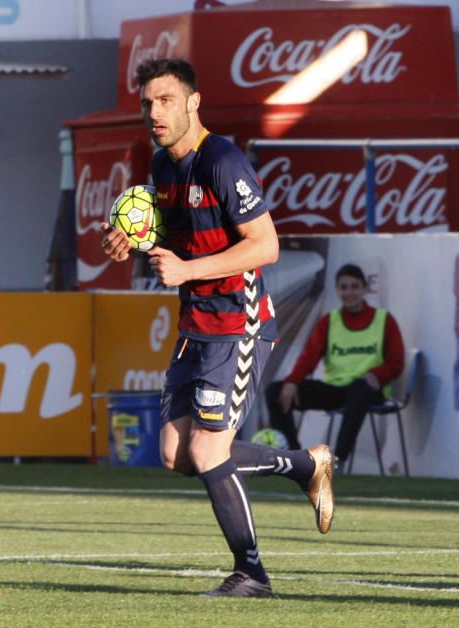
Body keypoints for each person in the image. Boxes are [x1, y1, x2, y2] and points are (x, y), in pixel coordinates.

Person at [101, 57, 334, 598]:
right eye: (147, 103)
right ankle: (306, 464)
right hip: (196, 325)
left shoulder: (224, 161)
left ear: (192, 102)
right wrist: (134, 242)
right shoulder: (162, 167)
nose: (153, 112)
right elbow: (182, 244)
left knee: (210, 452)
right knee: (175, 456)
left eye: (164, 100)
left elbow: (266, 245)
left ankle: (251, 574)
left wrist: (185, 270)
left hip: (239, 323)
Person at [266, 263, 404, 467]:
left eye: (355, 286)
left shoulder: (384, 320)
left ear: (365, 289)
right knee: (275, 391)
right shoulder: (329, 322)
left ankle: (337, 461)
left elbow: (396, 362)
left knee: (358, 390)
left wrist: (376, 375)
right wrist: (292, 381)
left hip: (369, 391)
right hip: (335, 391)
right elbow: (309, 357)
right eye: (344, 287)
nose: (349, 292)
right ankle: (295, 460)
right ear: (337, 290)